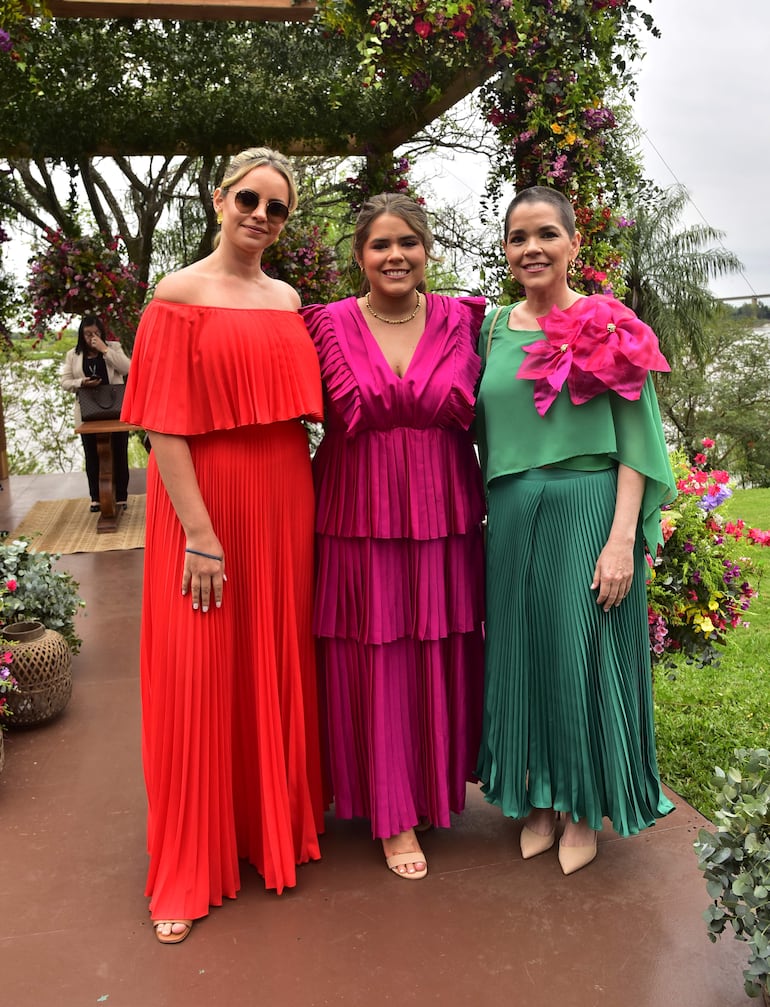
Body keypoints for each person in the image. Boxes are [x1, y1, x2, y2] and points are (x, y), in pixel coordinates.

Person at [120, 146, 326, 944]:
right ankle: (188, 863)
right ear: (217, 198)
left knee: (270, 659)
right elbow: (163, 422)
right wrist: (201, 536)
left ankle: (266, 829)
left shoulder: (287, 298)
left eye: (277, 208)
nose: (261, 216)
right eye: (249, 198)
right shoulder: (177, 295)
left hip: (283, 500)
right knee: (197, 673)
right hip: (203, 508)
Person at [475, 185, 677, 875]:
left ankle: (584, 807)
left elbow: (637, 444)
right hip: (509, 512)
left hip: (589, 507)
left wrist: (622, 538)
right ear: (504, 250)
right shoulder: (492, 327)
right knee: (522, 656)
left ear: (572, 244)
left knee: (580, 660)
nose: (532, 247)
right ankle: (538, 797)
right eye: (518, 236)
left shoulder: (610, 323)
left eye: (545, 235)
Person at [301, 194, 486, 880]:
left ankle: (433, 790)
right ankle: (392, 813)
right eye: (380, 244)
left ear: (428, 248)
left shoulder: (466, 320)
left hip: (443, 516)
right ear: (359, 255)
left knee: (434, 651)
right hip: (358, 517)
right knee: (375, 656)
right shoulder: (323, 324)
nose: (395, 255)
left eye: (408, 241)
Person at [60, 314, 131, 512]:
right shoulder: (73, 355)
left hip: (115, 409)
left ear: (102, 333)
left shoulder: (113, 347)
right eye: (87, 333)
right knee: (92, 453)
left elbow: (128, 368)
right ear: (81, 335)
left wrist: (104, 350)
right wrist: (81, 382)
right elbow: (65, 382)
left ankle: (121, 497)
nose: (91, 337)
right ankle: (96, 498)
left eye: (96, 333)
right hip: (88, 412)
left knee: (119, 450)